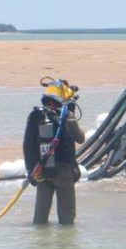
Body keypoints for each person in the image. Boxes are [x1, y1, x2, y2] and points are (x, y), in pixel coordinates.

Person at [23, 79, 85, 225]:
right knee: (67, 218)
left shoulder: (35, 115)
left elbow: (27, 145)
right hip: (64, 171)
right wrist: (72, 115)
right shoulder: (66, 114)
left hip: (42, 170)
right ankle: (66, 245)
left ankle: (40, 244)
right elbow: (80, 138)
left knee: (40, 217)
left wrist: (31, 170)